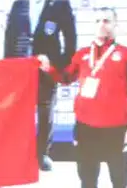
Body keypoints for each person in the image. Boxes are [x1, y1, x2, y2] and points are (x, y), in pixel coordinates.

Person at [40, 8, 127, 188]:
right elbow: (65, 78)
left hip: (116, 130)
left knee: (120, 186)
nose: (101, 25)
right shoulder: (82, 54)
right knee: (88, 186)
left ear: (115, 25)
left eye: (106, 21)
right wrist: (49, 69)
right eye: (97, 21)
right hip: (85, 129)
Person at [5, 0, 76, 171]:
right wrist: (8, 64)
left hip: (46, 67)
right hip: (20, 66)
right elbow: (10, 34)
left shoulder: (59, 3)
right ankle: (20, 153)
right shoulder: (19, 3)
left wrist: (59, 64)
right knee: (20, 112)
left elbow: (70, 36)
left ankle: (42, 153)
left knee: (45, 111)